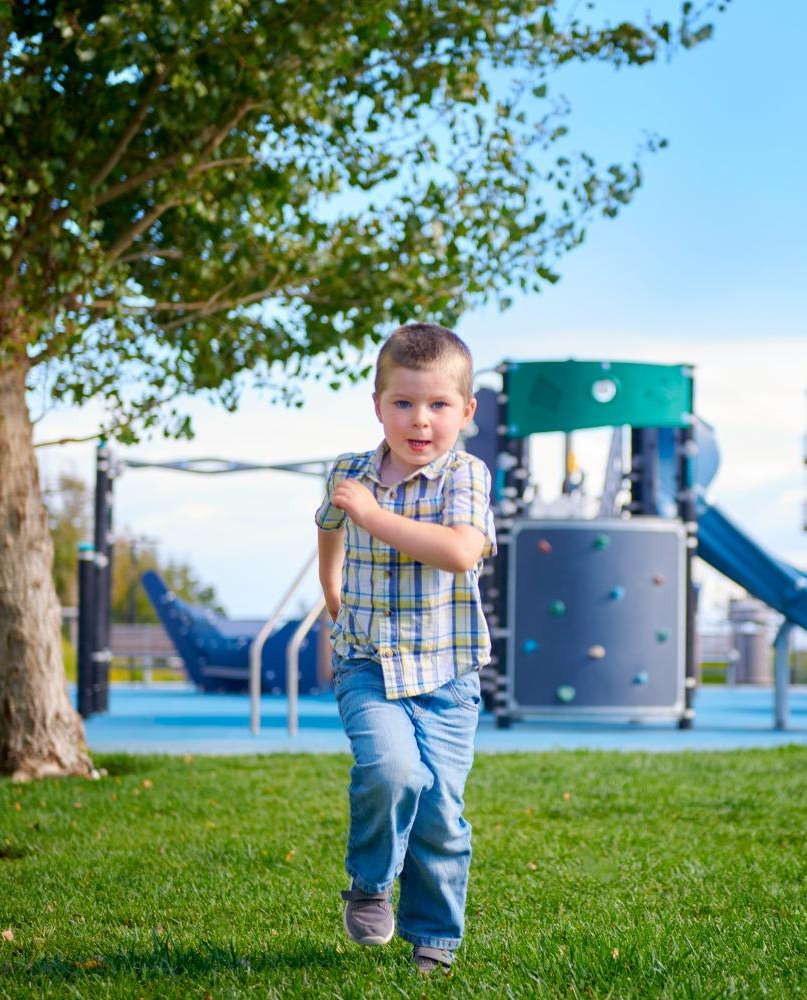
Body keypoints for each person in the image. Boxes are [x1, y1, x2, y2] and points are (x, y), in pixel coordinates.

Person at [315, 322, 495, 975]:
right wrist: (330, 584)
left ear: (466, 412)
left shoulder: (465, 477)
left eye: (439, 405)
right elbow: (329, 524)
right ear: (378, 405)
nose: (420, 421)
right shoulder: (348, 474)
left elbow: (458, 551)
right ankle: (368, 883)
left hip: (447, 677)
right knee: (394, 773)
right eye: (403, 403)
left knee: (442, 811)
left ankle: (435, 940)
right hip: (366, 663)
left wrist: (372, 516)